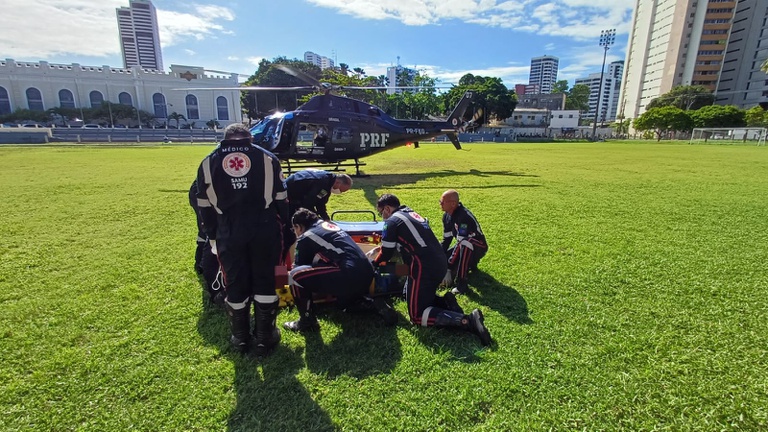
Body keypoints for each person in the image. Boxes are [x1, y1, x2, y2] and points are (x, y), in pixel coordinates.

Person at [195, 123, 289, 356]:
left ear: (225, 138)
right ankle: (265, 337)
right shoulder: (268, 158)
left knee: (235, 281)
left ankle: (240, 337)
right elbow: (281, 197)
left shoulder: (208, 162)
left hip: (228, 229)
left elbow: (203, 204)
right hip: (264, 227)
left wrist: (212, 234)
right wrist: (285, 225)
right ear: (249, 137)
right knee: (266, 279)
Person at [371, 194, 492, 346]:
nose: (381, 215)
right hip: (436, 261)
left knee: (416, 316)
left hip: (423, 267)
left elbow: (387, 253)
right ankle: (445, 302)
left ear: (387, 209)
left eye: (381, 212)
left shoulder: (392, 221)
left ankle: (467, 321)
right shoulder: (409, 213)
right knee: (405, 291)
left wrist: (374, 264)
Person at [283, 208, 397, 331]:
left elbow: (299, 266)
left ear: (298, 226)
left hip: (349, 274)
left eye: (294, 229)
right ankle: (370, 303)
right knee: (344, 305)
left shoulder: (306, 237)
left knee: (295, 275)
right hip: (367, 272)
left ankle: (306, 321)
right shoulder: (328, 226)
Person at [439, 190, 488, 295]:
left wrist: (449, 266)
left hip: (478, 246)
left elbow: (462, 242)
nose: (440, 203)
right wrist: (437, 256)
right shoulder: (446, 216)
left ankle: (462, 284)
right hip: (463, 245)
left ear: (453, 203)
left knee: (465, 243)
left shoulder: (463, 216)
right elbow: (446, 241)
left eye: (443, 201)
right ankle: (467, 267)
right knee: (442, 259)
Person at [189, 179, 225, 306]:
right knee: (211, 235)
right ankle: (216, 290)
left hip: (212, 190)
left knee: (208, 233)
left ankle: (200, 264)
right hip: (205, 192)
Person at [285, 170, 352, 221]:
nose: (339, 192)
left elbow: (320, 202)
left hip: (300, 194)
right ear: (338, 182)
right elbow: (308, 203)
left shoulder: (328, 183)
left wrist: (326, 219)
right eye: (341, 190)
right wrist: (316, 218)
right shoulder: (322, 182)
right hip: (289, 193)